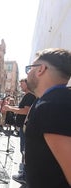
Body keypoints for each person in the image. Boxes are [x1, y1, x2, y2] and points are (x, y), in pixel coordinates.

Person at [25, 48, 71, 187]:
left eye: (29, 68)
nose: (27, 73)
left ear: (41, 69)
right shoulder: (56, 101)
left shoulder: (52, 106)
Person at [3, 78, 36, 184]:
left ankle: (25, 175)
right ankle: (24, 172)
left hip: (25, 127)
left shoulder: (30, 95)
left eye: (22, 84)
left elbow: (25, 110)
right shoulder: (27, 95)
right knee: (23, 150)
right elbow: (21, 107)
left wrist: (10, 109)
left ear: (27, 84)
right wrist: (12, 107)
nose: (20, 86)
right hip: (22, 127)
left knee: (24, 150)